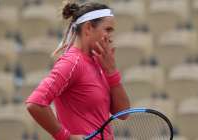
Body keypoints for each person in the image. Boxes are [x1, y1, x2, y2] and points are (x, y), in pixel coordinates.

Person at [25, 1, 130, 140]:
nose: (111, 37)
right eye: (108, 30)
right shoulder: (71, 63)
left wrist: (112, 73)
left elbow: (123, 113)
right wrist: (65, 137)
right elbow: (35, 103)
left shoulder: (99, 62)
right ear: (88, 28)